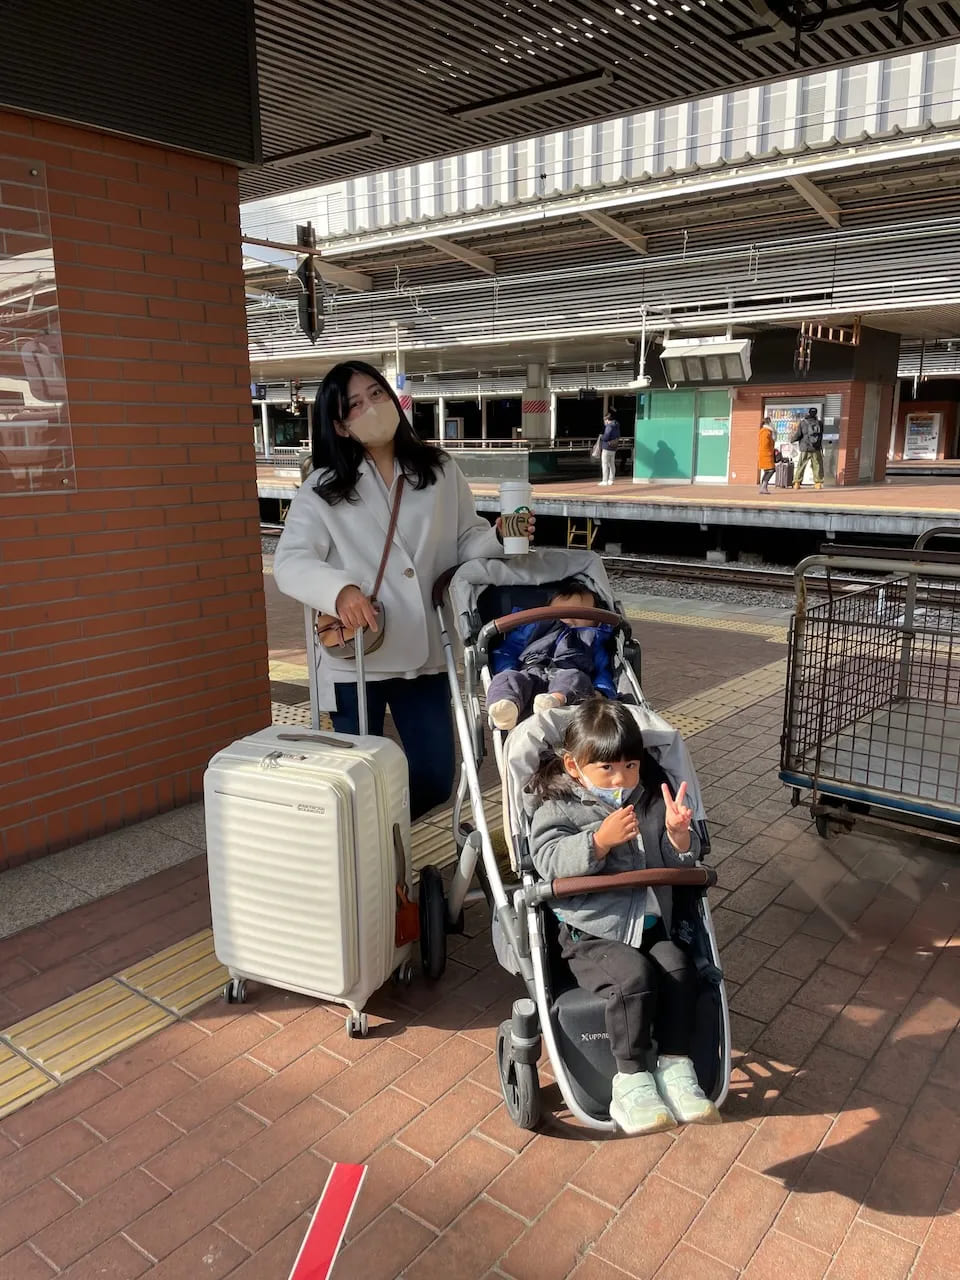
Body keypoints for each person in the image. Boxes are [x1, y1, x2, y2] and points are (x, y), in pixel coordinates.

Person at [273, 359, 534, 820]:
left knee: (435, 777)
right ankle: (371, 866)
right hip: (355, 657)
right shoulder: (323, 487)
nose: (372, 406)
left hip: (425, 651)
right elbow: (290, 562)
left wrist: (498, 534)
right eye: (356, 404)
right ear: (340, 425)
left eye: (376, 394)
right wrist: (340, 593)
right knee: (355, 778)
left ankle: (381, 837)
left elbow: (464, 540)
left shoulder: (438, 470)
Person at [528, 700, 720, 1135]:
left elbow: (676, 862)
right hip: (592, 932)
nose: (622, 779)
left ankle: (674, 1067)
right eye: (608, 769)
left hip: (649, 922)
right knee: (632, 978)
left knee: (678, 967)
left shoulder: (650, 801)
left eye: (631, 766)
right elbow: (548, 860)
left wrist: (677, 835)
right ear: (575, 767)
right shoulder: (557, 810)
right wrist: (597, 841)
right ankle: (631, 1081)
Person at [486, 579, 616, 730]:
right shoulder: (532, 629)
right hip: (530, 672)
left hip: (569, 677)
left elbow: (604, 669)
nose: (568, 619)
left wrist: (602, 691)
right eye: (560, 613)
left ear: (596, 622)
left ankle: (554, 702)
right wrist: (509, 668)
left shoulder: (594, 638)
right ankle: (506, 706)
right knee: (506, 677)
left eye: (579, 614)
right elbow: (507, 650)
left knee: (576, 678)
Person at [791, 407, 824, 490]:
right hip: (816, 448)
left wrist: (792, 440)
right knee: (817, 465)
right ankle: (818, 483)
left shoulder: (803, 422)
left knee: (801, 465)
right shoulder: (819, 423)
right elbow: (821, 435)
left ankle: (797, 483)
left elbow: (798, 434)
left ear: (808, 413)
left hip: (805, 447)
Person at [598, 412, 620, 486]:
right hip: (613, 447)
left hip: (607, 447)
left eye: (605, 420)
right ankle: (611, 480)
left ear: (607, 419)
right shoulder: (617, 426)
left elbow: (606, 437)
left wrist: (601, 437)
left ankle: (605, 481)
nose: (604, 422)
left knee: (604, 464)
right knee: (612, 464)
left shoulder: (609, 426)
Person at [758, 416, 776, 494]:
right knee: (771, 470)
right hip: (766, 454)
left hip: (766, 453)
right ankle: (764, 486)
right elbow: (765, 444)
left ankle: (763, 487)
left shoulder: (765, 431)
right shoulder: (766, 432)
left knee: (767, 471)